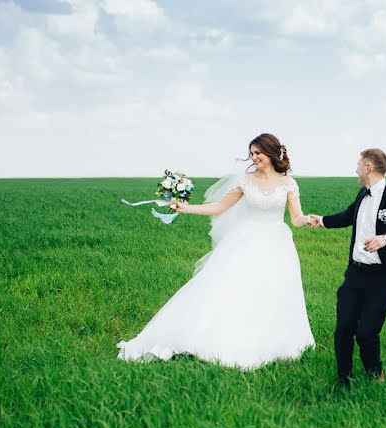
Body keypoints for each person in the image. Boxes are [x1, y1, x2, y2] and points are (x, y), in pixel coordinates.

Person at [117, 133, 315, 369]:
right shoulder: (245, 181)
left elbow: (295, 218)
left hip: (276, 243)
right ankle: (223, 337)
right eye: (251, 154)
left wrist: (306, 220)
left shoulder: (287, 183)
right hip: (246, 241)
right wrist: (185, 209)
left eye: (258, 153)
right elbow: (219, 207)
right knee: (234, 289)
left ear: (272, 153)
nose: (254, 158)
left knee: (273, 290)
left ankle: (271, 340)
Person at [306, 148, 386, 389]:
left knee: (366, 333)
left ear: (368, 168)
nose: (355, 168)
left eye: (358, 164)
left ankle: (375, 374)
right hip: (355, 273)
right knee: (343, 329)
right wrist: (321, 220)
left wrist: (385, 238)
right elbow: (348, 216)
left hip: (383, 278)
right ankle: (343, 378)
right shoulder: (362, 195)